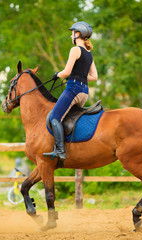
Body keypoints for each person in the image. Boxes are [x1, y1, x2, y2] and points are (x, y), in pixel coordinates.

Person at [43, 21, 98, 161]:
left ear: (78, 34)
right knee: (69, 118)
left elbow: (66, 71)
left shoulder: (75, 50)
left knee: (55, 117)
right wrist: (79, 75)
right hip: (84, 92)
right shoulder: (89, 53)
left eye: (72, 33)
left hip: (73, 89)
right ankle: (73, 147)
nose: (70, 36)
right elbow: (94, 77)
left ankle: (61, 150)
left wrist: (57, 75)